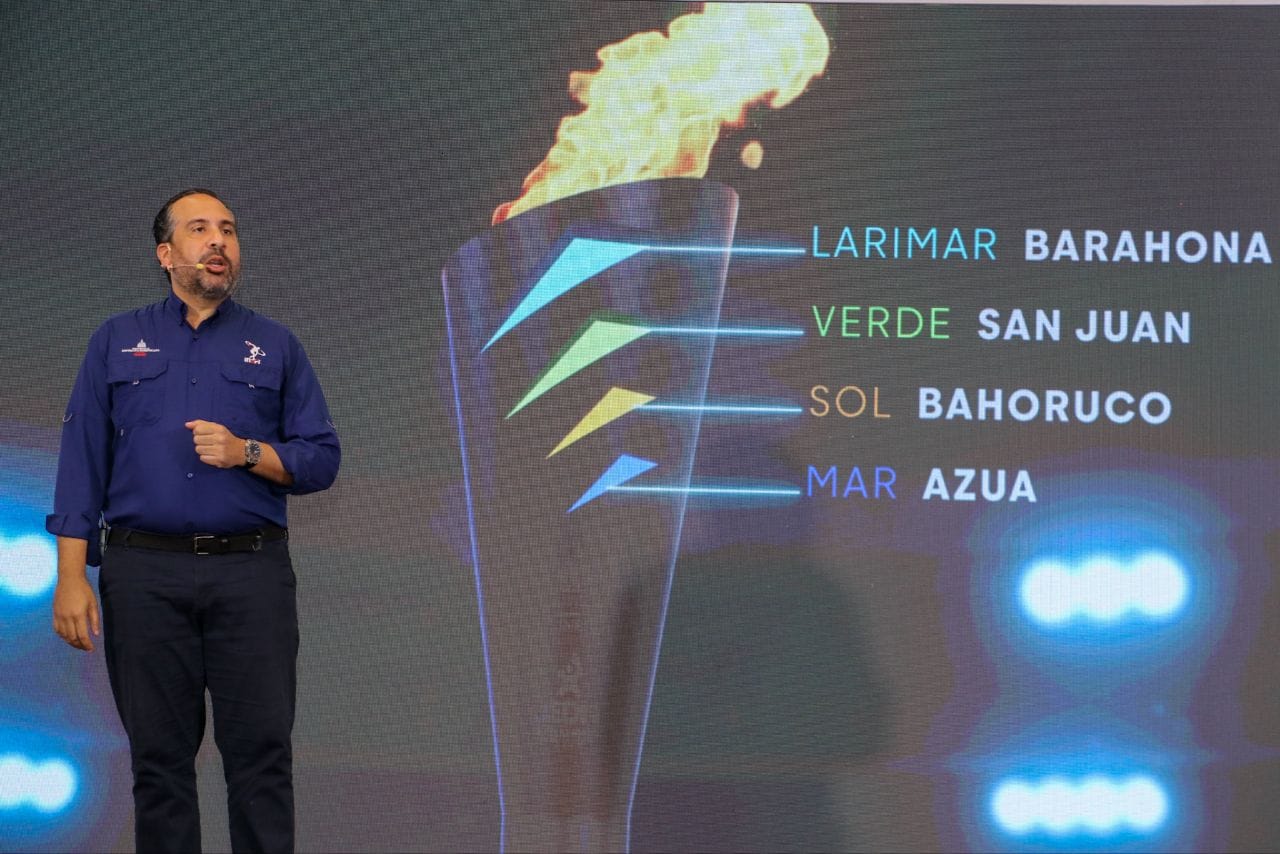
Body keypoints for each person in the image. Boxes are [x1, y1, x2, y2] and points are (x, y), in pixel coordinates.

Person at [47, 188, 340, 853]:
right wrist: (71, 576)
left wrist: (248, 453)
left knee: (262, 760)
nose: (218, 242)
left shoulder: (275, 344)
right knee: (159, 765)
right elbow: (81, 461)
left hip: (251, 574)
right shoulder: (116, 340)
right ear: (165, 253)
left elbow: (322, 458)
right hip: (143, 573)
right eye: (200, 229)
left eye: (228, 231)